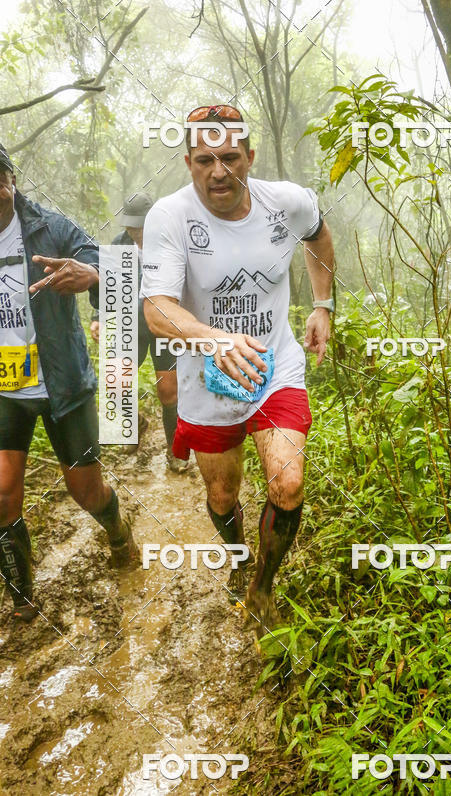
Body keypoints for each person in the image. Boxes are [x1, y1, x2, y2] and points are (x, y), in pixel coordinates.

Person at [141, 104, 334, 632]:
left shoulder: (286, 202)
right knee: (222, 494)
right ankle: (238, 553)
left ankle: (261, 589)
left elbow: (317, 234)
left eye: (230, 157)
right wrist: (214, 339)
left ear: (250, 156)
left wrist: (323, 304)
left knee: (287, 483)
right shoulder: (169, 216)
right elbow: (157, 308)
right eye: (205, 159)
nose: (218, 171)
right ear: (188, 162)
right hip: (205, 378)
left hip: (275, 365)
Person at [0, 144, 139, 623]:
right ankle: (21, 597)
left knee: (86, 491)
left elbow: (113, 271)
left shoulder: (49, 228)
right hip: (6, 393)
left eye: (0, 179)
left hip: (63, 385)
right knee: (1, 491)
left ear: (11, 181)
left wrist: (92, 273)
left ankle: (116, 528)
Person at [90, 193, 188, 472]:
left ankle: (175, 451)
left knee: (168, 391)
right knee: (116, 381)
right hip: (129, 324)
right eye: (131, 226)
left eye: (141, 226)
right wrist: (99, 317)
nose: (136, 232)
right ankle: (135, 423)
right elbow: (107, 287)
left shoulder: (170, 243)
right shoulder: (120, 245)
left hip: (163, 325)